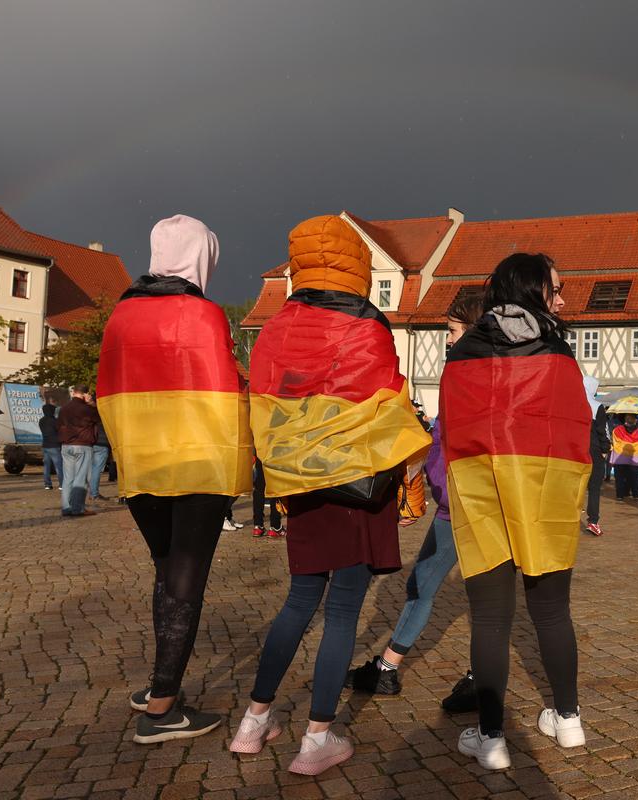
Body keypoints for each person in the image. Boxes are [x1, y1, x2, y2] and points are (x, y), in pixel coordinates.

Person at [235, 215, 431, 774]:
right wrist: (410, 476)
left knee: (298, 602)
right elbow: (388, 403)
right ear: (357, 265)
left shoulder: (275, 327)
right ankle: (316, 738)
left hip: (299, 485)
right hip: (353, 485)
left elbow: (270, 403)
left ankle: (253, 721)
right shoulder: (366, 327)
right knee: (343, 611)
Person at [98, 214, 254, 744]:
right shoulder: (204, 315)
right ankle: (163, 707)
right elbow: (227, 391)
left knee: (166, 571)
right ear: (201, 257)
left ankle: (157, 685)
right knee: (186, 577)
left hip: (144, 461)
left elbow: (110, 390)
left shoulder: (122, 314)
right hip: (198, 465)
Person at [440, 252, 591, 770]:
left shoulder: (462, 354)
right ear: (532, 291)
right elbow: (577, 429)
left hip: (481, 490)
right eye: (557, 288)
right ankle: (568, 718)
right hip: (545, 493)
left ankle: (491, 737)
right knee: (550, 610)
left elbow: (453, 430)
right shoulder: (559, 353)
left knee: (490, 617)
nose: (564, 298)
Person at [348, 291, 484, 713]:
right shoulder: (477, 368)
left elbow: (454, 440)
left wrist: (436, 486)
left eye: (453, 330)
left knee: (426, 585)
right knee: (481, 595)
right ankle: (478, 675)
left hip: (460, 502)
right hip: (473, 499)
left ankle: (389, 670)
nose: (447, 339)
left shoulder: (467, 370)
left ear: (472, 329)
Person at [57, 386, 99, 515]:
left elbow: (58, 425)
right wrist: (92, 403)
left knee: (68, 479)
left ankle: (66, 507)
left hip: (66, 446)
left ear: (74, 393)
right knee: (81, 478)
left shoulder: (63, 409)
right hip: (83, 445)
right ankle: (78, 509)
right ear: (86, 394)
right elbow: (100, 418)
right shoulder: (87, 409)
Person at [584, 378, 610, 536]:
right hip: (593, 451)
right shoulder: (596, 406)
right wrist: (605, 449)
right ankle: (593, 521)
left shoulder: (571, 403)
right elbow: (603, 431)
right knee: (594, 488)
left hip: (574, 451)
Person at [609, 414, 638, 500]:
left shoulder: (617, 430)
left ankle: (620, 495)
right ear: (635, 420)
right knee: (634, 477)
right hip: (634, 457)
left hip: (619, 457)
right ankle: (636, 494)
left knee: (619, 477)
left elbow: (613, 441)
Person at [250, 459, 283, 538]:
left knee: (259, 488)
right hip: (275, 454)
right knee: (275, 487)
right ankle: (275, 527)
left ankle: (258, 526)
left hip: (261, 453)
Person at [38, 403, 62, 491]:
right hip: (54, 446)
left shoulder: (41, 421)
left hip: (45, 445)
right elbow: (59, 431)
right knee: (58, 466)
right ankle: (61, 484)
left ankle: (47, 484)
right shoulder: (55, 421)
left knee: (46, 466)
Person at [89, 411, 112, 501]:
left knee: (92, 469)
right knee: (97, 470)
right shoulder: (107, 418)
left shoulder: (92, 417)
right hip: (102, 445)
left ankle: (92, 493)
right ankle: (94, 493)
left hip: (92, 444)